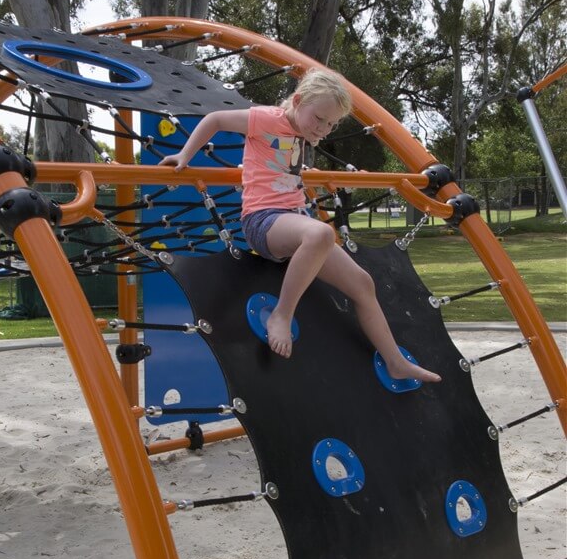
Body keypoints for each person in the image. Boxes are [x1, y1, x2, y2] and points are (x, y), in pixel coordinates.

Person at [159, 69, 440, 383]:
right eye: (319, 119)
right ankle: (282, 313)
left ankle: (394, 361)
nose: (324, 128)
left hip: (294, 223)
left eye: (331, 124)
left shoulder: (300, 132)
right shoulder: (266, 119)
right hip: (262, 221)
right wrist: (185, 155)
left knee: (363, 283)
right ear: (297, 101)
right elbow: (216, 120)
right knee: (320, 232)